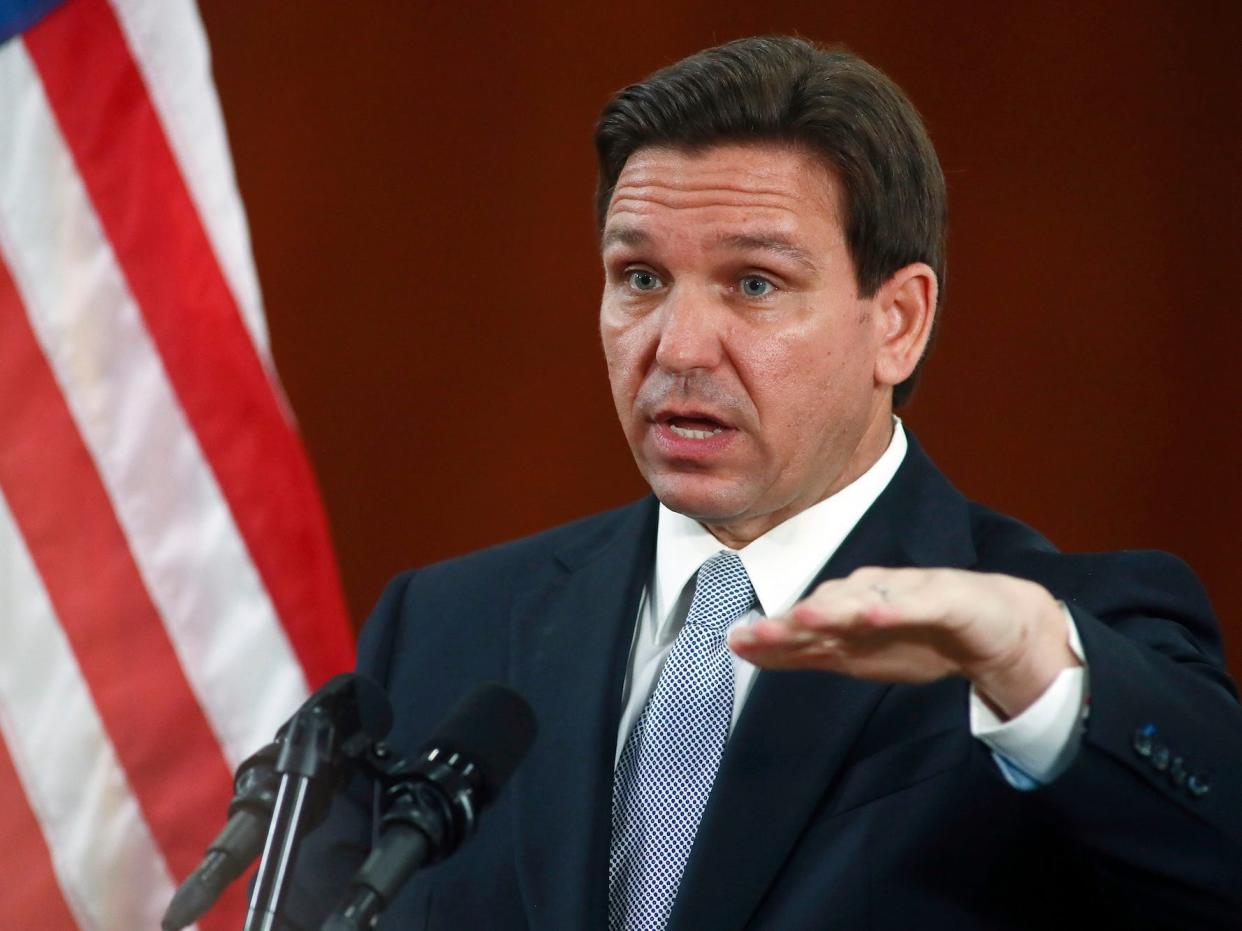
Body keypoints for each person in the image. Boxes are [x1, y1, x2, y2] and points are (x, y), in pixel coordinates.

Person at [280, 35, 1242, 929]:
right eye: (641, 277)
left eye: (755, 284)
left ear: (897, 322)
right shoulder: (446, 629)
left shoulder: (1059, 634)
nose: (679, 346)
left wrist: (1035, 664)